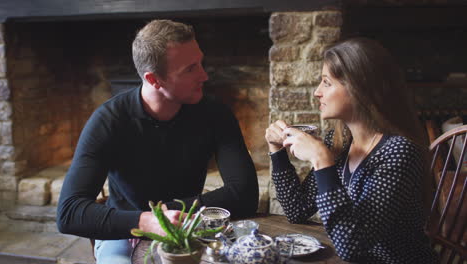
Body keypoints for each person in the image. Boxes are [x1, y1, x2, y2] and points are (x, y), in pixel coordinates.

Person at [57, 19, 259, 264]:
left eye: (200, 63)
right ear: (153, 80)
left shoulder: (216, 114)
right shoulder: (108, 119)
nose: (204, 76)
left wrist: (170, 212)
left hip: (190, 223)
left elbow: (245, 196)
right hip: (126, 229)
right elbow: (68, 212)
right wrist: (146, 221)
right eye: (190, 69)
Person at [265, 38, 439, 263]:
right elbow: (296, 210)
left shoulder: (399, 152)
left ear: (359, 88)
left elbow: (351, 245)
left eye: (326, 83)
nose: (317, 92)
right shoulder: (338, 140)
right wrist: (277, 151)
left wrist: (321, 160)